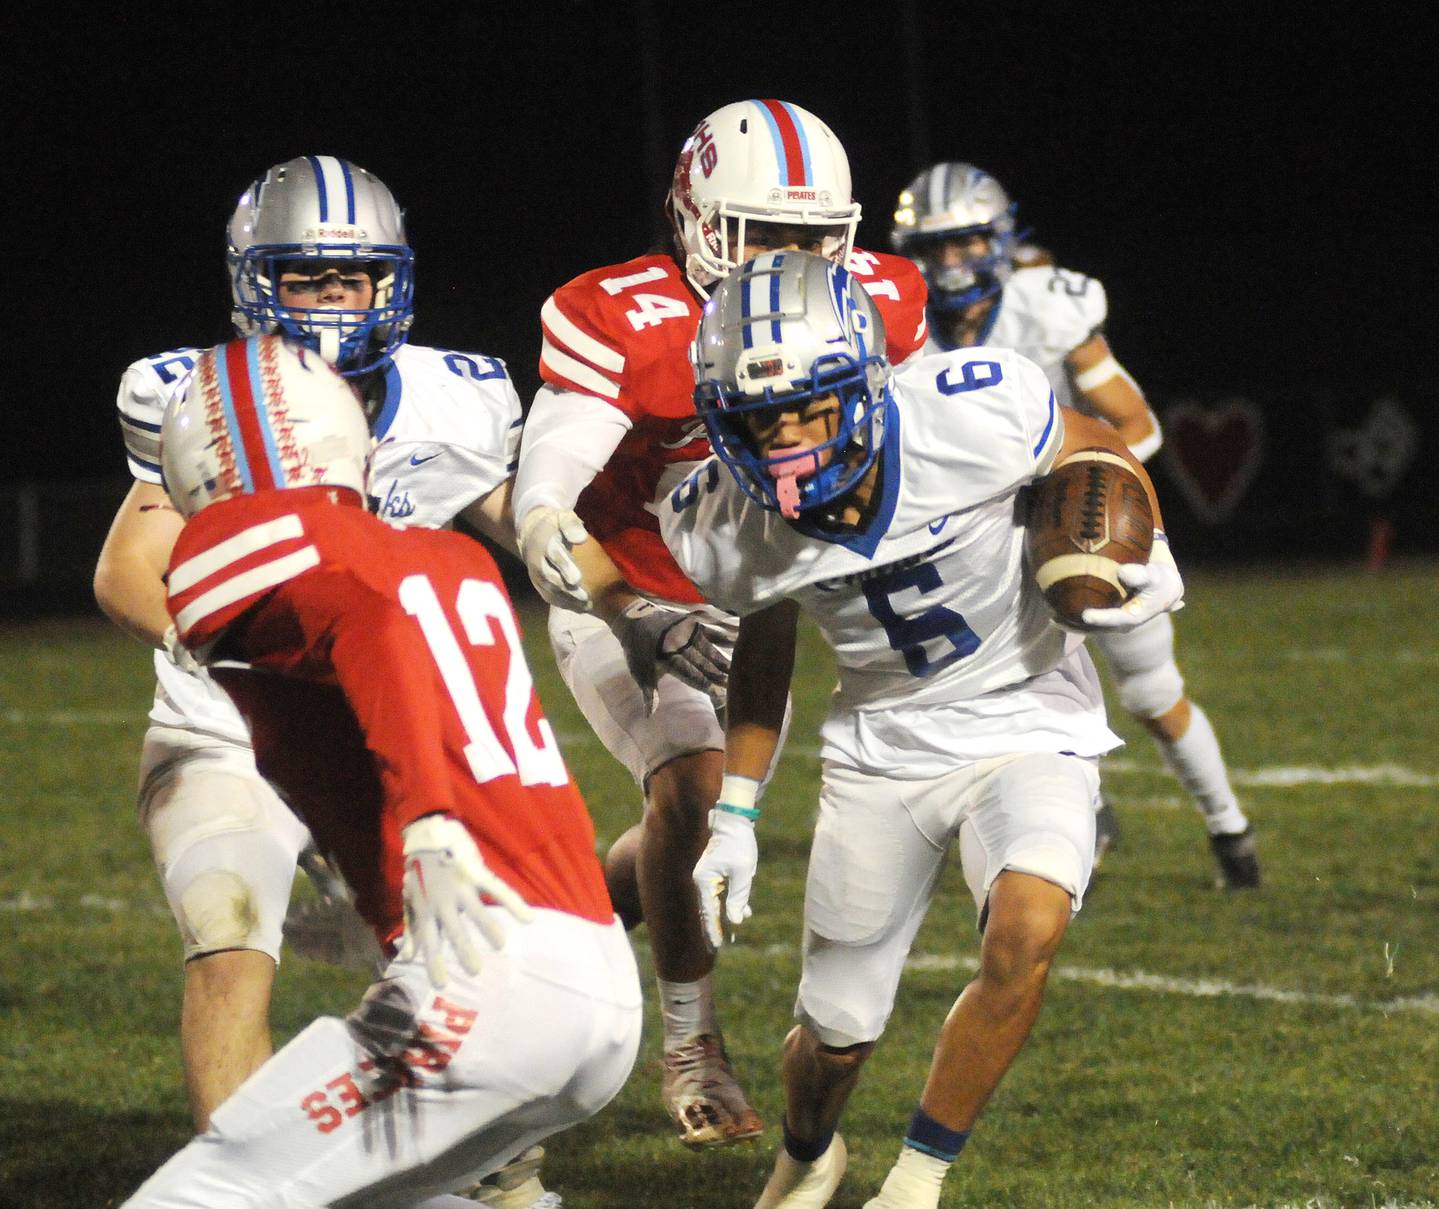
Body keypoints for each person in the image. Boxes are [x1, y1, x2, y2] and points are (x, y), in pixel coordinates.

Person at [660, 251, 1184, 1208]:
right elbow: (764, 648)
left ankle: (918, 1177)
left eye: (808, 405)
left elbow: (1094, 441)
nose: (784, 438)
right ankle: (810, 1149)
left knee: (1028, 925)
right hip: (883, 746)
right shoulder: (728, 522)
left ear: (865, 378)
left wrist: (1145, 551)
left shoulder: (968, 406)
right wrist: (736, 808)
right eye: (756, 416)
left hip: (1030, 707)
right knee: (835, 1035)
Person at [94, 156, 559, 1207]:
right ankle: (245, 1191)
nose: (336, 302)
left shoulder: (458, 396)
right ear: (256, 282)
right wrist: (231, 651)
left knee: (464, 962)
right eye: (308, 278)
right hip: (229, 729)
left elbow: (526, 528)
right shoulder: (198, 395)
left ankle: (482, 1159)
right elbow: (124, 569)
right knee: (227, 939)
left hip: (384, 733)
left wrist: (610, 570)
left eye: (355, 279)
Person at [119, 333, 641, 1209]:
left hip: (485, 990)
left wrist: (429, 819)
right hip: (593, 993)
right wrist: (377, 889)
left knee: (212, 1189)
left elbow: (372, 627)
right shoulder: (451, 556)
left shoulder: (238, 538)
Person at [512, 98, 929, 1147]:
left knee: (681, 825)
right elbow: (543, 509)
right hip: (621, 591)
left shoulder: (879, 297)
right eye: (764, 236)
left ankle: (539, 930)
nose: (790, 260)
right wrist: (630, 607)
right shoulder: (624, 318)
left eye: (812, 238)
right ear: (697, 220)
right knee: (694, 788)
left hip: (758, 603)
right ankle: (693, 1042)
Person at [890, 162, 1260, 888]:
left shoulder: (1046, 307)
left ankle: (1231, 832)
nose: (950, 262)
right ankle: (1069, 821)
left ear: (999, 240)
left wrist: (1071, 477)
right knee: (999, 702)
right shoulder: (898, 329)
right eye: (933, 247)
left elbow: (1137, 423)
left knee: (1153, 694)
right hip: (987, 546)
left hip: (1081, 514)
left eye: (965, 242)